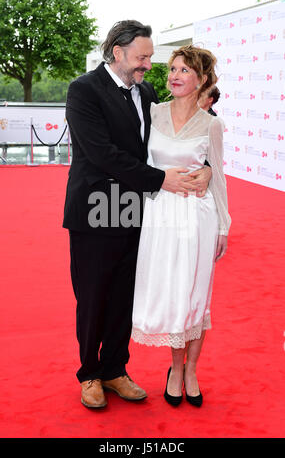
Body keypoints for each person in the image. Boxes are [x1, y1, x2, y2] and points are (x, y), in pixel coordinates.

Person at [62, 21, 212, 408]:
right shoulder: (84, 90)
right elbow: (102, 154)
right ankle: (90, 374)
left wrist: (207, 165)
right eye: (142, 57)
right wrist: (162, 179)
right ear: (118, 52)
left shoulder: (145, 92)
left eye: (149, 56)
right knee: (94, 296)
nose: (149, 64)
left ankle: (115, 369)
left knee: (125, 297)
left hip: (139, 211)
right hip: (98, 208)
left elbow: (189, 123)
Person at [131, 45, 231, 407]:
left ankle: (191, 371)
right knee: (174, 296)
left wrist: (224, 226)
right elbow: (136, 163)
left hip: (197, 217)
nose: (174, 75)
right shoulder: (152, 113)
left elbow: (217, 176)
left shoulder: (211, 124)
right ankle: (175, 368)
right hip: (159, 217)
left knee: (195, 296)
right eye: (172, 68)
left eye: (184, 70)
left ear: (202, 79)